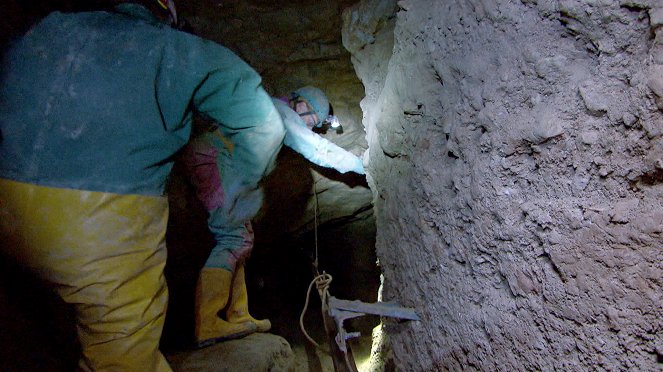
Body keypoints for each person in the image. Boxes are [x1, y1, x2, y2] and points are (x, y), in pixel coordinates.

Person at [0, 0, 285, 370]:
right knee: (121, 356)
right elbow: (264, 126)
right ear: (166, 11)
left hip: (7, 205)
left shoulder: (44, 29)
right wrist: (241, 194)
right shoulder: (177, 50)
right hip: (99, 229)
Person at [182, 86, 364, 347]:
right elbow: (319, 149)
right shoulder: (280, 109)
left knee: (241, 238)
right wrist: (363, 165)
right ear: (299, 102)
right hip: (215, 156)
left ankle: (238, 314)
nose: (307, 126)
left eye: (312, 124)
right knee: (233, 238)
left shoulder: (270, 107)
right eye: (308, 118)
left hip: (214, 156)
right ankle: (208, 321)